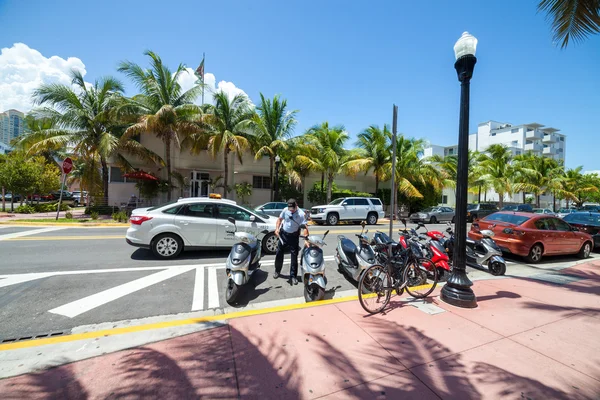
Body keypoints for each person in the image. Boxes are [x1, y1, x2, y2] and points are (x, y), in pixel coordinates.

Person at [274, 198, 309, 285]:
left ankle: (293, 276)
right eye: (290, 210)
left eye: (293, 209)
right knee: (279, 253)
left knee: (294, 256)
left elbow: (305, 227)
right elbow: (279, 219)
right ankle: (277, 271)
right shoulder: (285, 210)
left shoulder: (301, 214)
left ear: (296, 205)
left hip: (294, 236)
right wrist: (277, 229)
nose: (291, 211)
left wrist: (306, 239)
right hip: (284, 235)